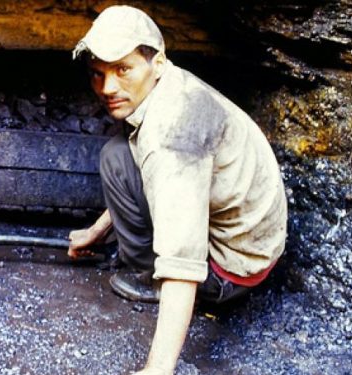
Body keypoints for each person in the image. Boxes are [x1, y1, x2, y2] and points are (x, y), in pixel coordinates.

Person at [67, 5, 287, 375]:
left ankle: (147, 279)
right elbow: (144, 167)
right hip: (248, 242)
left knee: (115, 160)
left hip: (230, 274)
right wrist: (95, 231)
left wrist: (158, 369)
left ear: (157, 63)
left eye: (123, 70)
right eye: (97, 74)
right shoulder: (170, 87)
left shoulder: (171, 137)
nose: (107, 88)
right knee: (119, 154)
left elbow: (182, 263)